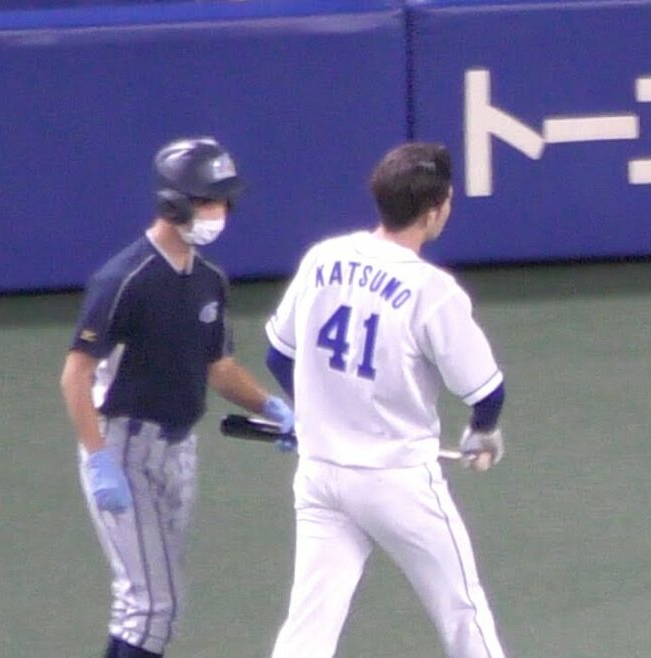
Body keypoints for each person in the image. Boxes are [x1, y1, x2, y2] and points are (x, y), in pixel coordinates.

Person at [264, 142, 508, 658]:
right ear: (435, 209)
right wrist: (483, 430)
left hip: (321, 475)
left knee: (309, 625)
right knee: (462, 610)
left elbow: (278, 356)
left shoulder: (322, 258)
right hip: (397, 482)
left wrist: (312, 414)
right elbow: (485, 391)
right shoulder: (431, 290)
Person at [59, 136, 295, 658]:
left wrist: (273, 409)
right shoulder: (124, 279)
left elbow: (219, 366)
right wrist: (99, 460)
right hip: (123, 448)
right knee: (152, 607)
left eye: (223, 202)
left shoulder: (208, 280)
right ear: (174, 203)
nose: (220, 213)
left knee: (144, 606)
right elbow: (76, 375)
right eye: (210, 201)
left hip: (178, 451)